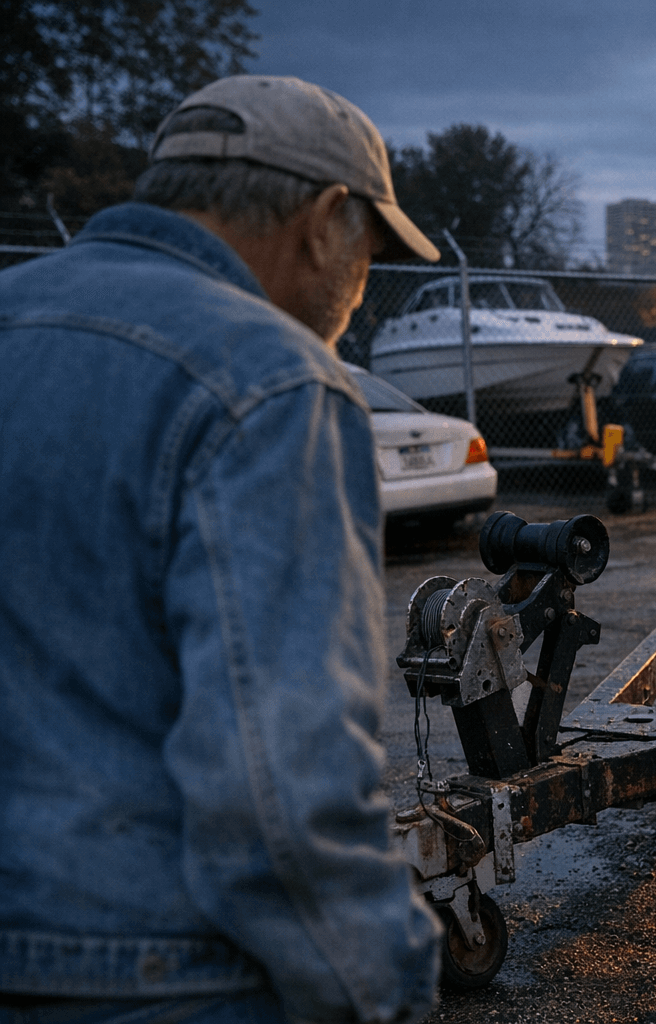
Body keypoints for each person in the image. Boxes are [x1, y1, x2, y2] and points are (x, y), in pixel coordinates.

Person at [0, 76, 445, 1023]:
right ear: (328, 221)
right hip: (160, 976)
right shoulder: (272, 382)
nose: (359, 295)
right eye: (368, 251)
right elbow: (280, 788)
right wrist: (384, 988)